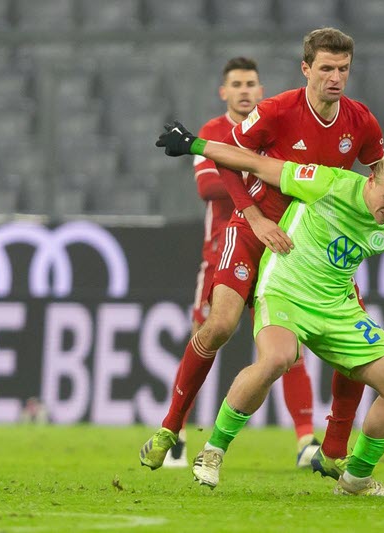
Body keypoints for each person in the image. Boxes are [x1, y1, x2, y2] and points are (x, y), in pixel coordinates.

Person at [139, 27, 384, 475]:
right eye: (326, 68)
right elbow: (233, 157)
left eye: (343, 69)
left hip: (309, 247)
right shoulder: (277, 111)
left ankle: (332, 449)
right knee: (222, 324)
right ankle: (171, 428)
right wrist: (253, 216)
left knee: (353, 334)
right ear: (306, 68)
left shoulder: (361, 121)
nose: (335, 78)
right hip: (255, 231)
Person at [155, 121, 384, 495]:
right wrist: (194, 145)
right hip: (285, 291)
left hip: (338, 309)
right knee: (276, 359)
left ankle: (355, 480)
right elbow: (256, 165)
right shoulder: (327, 183)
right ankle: (213, 451)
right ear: (370, 181)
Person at [160, 57, 319, 468]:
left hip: (278, 250)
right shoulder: (213, 133)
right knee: (210, 331)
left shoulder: (275, 127)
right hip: (223, 250)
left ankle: (306, 441)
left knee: (288, 348)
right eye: (237, 84)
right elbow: (208, 185)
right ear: (224, 92)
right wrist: (264, 171)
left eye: (252, 83)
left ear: (262, 91)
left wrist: (249, 167)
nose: (245, 90)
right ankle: (176, 430)